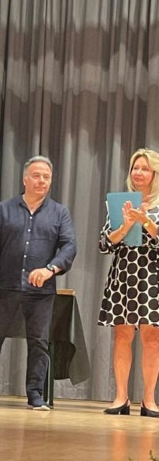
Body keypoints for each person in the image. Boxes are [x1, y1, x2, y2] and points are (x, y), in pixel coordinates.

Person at [0, 156, 76, 410]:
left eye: (46, 177)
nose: (41, 181)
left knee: (38, 341)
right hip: (5, 286)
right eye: (36, 176)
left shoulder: (59, 212)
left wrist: (50, 269)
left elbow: (69, 246)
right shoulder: (5, 209)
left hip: (41, 291)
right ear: (25, 178)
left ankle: (35, 394)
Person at [98, 148, 159, 418]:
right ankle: (121, 397)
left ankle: (149, 400)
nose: (138, 173)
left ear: (155, 174)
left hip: (152, 275)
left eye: (145, 168)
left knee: (152, 338)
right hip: (124, 273)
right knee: (122, 336)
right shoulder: (122, 202)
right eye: (135, 168)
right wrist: (124, 226)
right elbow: (104, 243)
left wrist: (145, 220)